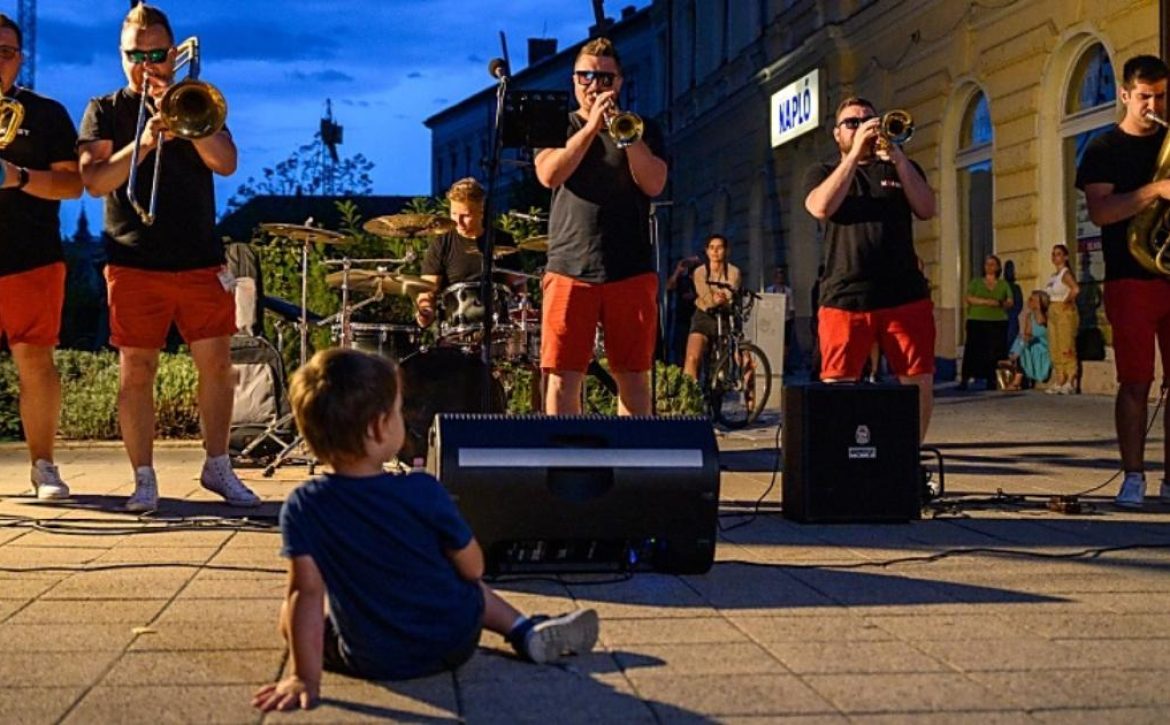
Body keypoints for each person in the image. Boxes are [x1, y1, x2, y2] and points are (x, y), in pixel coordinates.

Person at [252, 348, 599, 711]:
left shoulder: (303, 506)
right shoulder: (423, 490)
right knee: (467, 585)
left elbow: (305, 592)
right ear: (377, 428)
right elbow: (474, 568)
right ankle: (523, 630)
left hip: (372, 657)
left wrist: (303, 677)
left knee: (289, 613)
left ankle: (350, 641)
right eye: (399, 410)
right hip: (453, 643)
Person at [77, 3, 259, 512]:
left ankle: (218, 466)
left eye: (157, 54)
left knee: (218, 367)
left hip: (199, 256)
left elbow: (227, 164)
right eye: (135, 55)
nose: (146, 65)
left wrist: (190, 129)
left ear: (174, 53)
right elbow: (94, 182)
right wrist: (148, 140)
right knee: (136, 370)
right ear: (121, 55)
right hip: (133, 258)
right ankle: (143, 477)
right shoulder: (104, 108)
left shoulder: (196, 100)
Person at [534, 36, 668, 416]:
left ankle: (632, 464)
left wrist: (625, 137)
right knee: (563, 375)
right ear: (574, 80)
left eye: (605, 79)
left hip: (630, 267)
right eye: (586, 77)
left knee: (634, 375)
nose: (595, 86)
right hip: (570, 267)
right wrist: (591, 127)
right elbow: (549, 173)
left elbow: (654, 183)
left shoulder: (643, 127)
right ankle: (564, 462)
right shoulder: (557, 124)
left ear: (620, 83)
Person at [804, 97, 937, 442]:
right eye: (852, 122)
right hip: (845, 296)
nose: (862, 126)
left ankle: (909, 458)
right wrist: (852, 158)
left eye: (868, 120)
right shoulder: (823, 171)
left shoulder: (900, 167)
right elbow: (820, 207)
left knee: (917, 380)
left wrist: (898, 157)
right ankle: (843, 460)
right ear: (837, 134)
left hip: (903, 294)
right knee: (839, 383)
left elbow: (926, 208)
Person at [1076, 54, 1170, 508]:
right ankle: (1133, 475)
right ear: (1125, 95)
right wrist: (1155, 190)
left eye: (1161, 96)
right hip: (1130, 277)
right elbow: (1101, 212)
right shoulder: (1103, 149)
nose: (1154, 105)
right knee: (1135, 382)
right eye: (1145, 97)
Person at [0, 14, 83, 499]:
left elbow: (74, 185)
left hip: (31, 257)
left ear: (20, 60)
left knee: (35, 361)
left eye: (7, 53)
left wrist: (19, 178)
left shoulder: (47, 113)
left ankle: (43, 466)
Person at [414, 177, 518, 330]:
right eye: (454, 214)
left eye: (466, 215)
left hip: (499, 330)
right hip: (455, 331)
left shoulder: (503, 240)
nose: (458, 222)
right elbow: (427, 289)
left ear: (481, 211)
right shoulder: (442, 243)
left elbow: (518, 286)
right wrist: (425, 309)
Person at [683, 234, 741, 380]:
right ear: (707, 251)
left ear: (726, 251)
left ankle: (751, 400)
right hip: (703, 316)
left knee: (742, 360)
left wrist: (721, 298)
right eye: (712, 248)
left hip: (726, 317)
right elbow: (704, 295)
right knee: (692, 358)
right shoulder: (700, 272)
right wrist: (714, 299)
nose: (715, 252)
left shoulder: (734, 272)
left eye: (719, 248)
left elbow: (729, 293)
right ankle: (690, 395)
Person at [958, 254, 1013, 390]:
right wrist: (987, 302)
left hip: (997, 320)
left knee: (994, 351)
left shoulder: (1003, 284)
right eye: (987, 264)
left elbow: (1010, 302)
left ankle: (992, 379)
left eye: (992, 264)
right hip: (977, 320)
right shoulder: (976, 282)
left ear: (998, 267)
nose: (989, 267)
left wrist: (999, 303)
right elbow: (969, 298)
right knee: (972, 350)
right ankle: (966, 378)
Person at [1043, 243, 1080, 394]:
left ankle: (1071, 379)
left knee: (1066, 344)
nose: (1055, 257)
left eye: (1058, 254)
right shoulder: (1054, 276)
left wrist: (1067, 301)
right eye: (1053, 254)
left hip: (1063, 309)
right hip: (1052, 309)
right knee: (1055, 345)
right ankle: (1060, 378)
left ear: (1065, 257)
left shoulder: (1066, 273)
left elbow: (1075, 289)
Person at [1003, 290, 1051, 391]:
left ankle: (1012, 358)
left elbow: (1041, 323)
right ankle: (1017, 380)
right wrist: (1025, 339)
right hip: (1034, 345)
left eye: (1031, 300)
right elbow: (1028, 334)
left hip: (1045, 346)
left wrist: (1038, 308)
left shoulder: (1046, 315)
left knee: (1022, 344)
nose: (1028, 302)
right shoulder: (1030, 316)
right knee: (1021, 340)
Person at [665, 253, 701, 366]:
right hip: (682, 321)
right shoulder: (683, 280)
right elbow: (669, 286)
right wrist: (678, 270)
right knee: (680, 353)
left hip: (697, 321)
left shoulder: (701, 282)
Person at [765, 266, 801, 373]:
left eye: (781, 277)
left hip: (786, 320)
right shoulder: (770, 290)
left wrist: (792, 319)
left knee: (786, 345)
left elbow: (791, 306)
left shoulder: (788, 291)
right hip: (773, 320)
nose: (779, 279)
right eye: (778, 276)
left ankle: (784, 364)